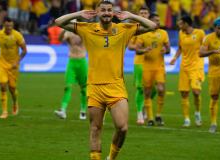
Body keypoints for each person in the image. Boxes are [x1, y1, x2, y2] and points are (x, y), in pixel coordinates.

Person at [55, 1, 156, 160]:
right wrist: (78, 14)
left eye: (110, 10)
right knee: (95, 128)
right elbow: (58, 22)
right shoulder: (86, 29)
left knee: (122, 128)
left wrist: (130, 16)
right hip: (94, 87)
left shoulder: (123, 29)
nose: (107, 13)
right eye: (103, 10)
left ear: (114, 13)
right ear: (97, 12)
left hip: (116, 87)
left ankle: (111, 157)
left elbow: (152, 26)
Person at [170, 15, 205, 127]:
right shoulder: (181, 33)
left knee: (196, 91)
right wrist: (175, 58)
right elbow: (180, 48)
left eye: (181, 23)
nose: (179, 26)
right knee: (184, 93)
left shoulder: (200, 33)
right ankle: (186, 119)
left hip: (196, 66)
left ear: (186, 24)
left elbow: (205, 46)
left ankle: (197, 113)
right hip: (184, 66)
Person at [137, 13, 170, 126]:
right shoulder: (143, 34)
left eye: (158, 20)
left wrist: (165, 51)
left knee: (161, 89)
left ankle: (158, 115)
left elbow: (169, 49)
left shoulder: (164, 33)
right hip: (147, 67)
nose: (158, 22)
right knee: (147, 93)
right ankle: (150, 118)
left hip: (159, 67)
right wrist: (145, 49)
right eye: (156, 20)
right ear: (150, 22)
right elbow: (137, 50)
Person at [0, 17, 27, 119]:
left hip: (13, 66)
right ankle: (4, 111)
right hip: (2, 63)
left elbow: (24, 50)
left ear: (13, 26)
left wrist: (17, 62)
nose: (9, 28)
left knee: (12, 88)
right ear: (4, 25)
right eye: (7, 26)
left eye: (10, 26)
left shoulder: (17, 35)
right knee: (2, 85)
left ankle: (15, 103)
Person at [199, 17, 220, 133]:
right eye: (219, 28)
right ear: (214, 28)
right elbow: (200, 53)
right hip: (214, 73)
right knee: (214, 97)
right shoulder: (208, 38)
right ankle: (213, 123)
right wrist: (213, 51)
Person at [127, 6, 154, 125]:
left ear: (149, 15)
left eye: (145, 13)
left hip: (154, 63)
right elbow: (130, 46)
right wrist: (141, 48)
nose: (143, 15)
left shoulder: (153, 28)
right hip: (139, 62)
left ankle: (145, 106)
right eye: (141, 13)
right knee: (140, 88)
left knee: (154, 88)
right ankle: (139, 113)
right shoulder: (134, 29)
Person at [54, 29, 88, 120]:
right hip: (71, 62)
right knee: (67, 86)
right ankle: (63, 110)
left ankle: (83, 111)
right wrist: (63, 30)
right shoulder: (69, 33)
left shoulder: (84, 31)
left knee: (84, 88)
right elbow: (60, 39)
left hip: (82, 62)